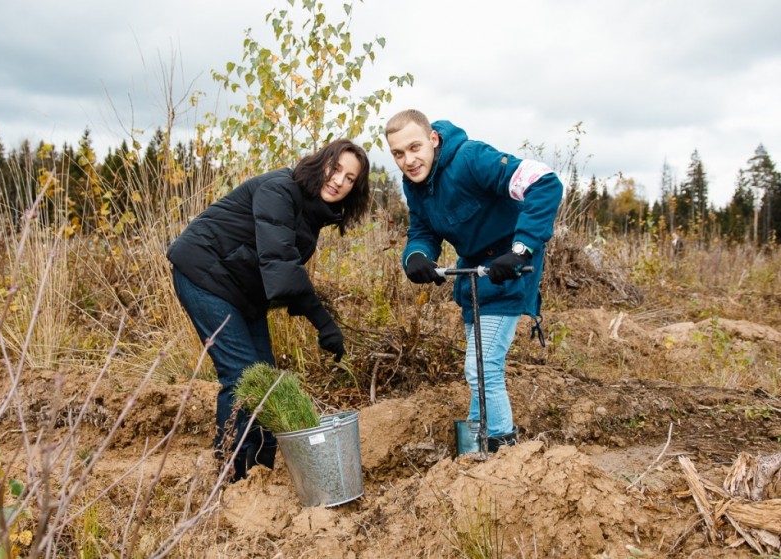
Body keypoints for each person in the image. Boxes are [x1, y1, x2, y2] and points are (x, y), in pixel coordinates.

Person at [166, 139, 371, 480]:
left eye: (350, 179)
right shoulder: (279, 191)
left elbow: (279, 270)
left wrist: (321, 322)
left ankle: (259, 476)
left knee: (268, 383)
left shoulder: (311, 213)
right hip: (203, 274)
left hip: (241, 292)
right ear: (321, 162)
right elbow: (282, 268)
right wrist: (323, 322)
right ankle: (230, 478)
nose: (339, 181)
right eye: (335, 169)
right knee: (242, 376)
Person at [385, 110, 563, 451]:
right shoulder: (416, 186)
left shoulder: (471, 158)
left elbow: (543, 181)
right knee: (480, 364)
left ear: (433, 139)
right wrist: (417, 257)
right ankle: (476, 444)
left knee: (483, 367)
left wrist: (521, 249)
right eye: (398, 153)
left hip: (510, 269)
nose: (408, 160)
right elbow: (422, 230)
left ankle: (502, 448)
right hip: (475, 277)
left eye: (415, 147)